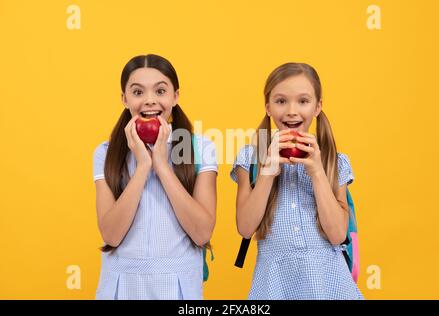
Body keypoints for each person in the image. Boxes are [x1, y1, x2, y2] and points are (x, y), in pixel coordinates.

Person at [230, 62, 363, 299]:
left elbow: (337, 235)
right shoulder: (250, 158)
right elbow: (246, 227)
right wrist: (268, 171)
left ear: (317, 106)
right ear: (268, 107)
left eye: (303, 101)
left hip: (329, 283)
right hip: (273, 284)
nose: (292, 111)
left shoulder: (336, 161)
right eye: (281, 101)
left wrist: (317, 173)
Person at [93, 54, 217, 299]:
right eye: (138, 92)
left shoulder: (200, 148)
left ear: (175, 96)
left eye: (160, 91)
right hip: (121, 285)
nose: (150, 101)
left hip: (178, 287)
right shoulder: (106, 153)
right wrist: (142, 167)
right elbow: (111, 235)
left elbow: (202, 233)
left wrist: (161, 165)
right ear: (124, 99)